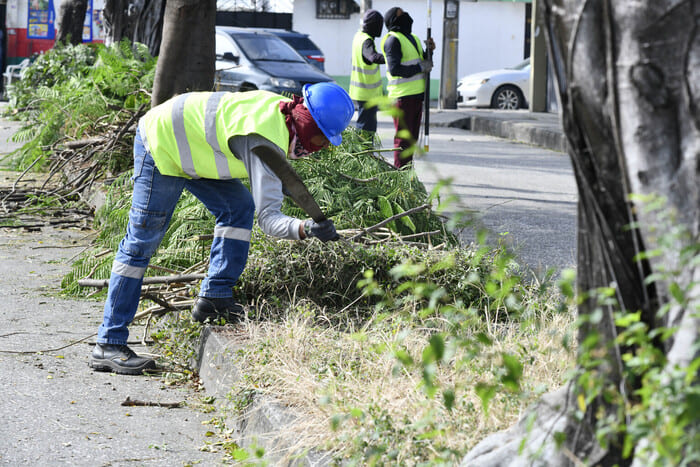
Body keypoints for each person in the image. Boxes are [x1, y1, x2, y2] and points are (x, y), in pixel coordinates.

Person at [89, 82, 355, 375]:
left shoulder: (283, 116)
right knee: (142, 241)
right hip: (162, 142)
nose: (319, 148)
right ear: (307, 124)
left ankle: (214, 298)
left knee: (237, 207)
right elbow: (269, 220)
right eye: (320, 140)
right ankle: (109, 342)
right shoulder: (263, 140)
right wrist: (305, 229)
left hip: (193, 146)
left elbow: (269, 178)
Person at [380, 7, 434, 168]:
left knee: (411, 141)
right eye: (401, 14)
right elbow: (395, 69)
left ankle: (407, 174)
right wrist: (421, 67)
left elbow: (424, 62)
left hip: (417, 96)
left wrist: (430, 52)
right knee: (403, 141)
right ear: (394, 21)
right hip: (402, 97)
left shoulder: (414, 38)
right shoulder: (392, 40)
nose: (406, 16)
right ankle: (399, 178)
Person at [349, 9, 385, 133]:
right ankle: (364, 151)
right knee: (366, 128)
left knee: (365, 125)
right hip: (367, 93)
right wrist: (391, 58)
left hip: (361, 91)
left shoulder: (358, 36)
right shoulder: (367, 41)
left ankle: (365, 151)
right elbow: (373, 57)